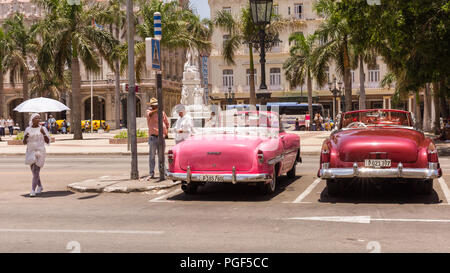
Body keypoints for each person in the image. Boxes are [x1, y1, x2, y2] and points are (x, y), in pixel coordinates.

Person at [23, 113, 50, 197]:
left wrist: (43, 133)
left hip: (40, 151)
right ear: (32, 120)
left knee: (36, 170)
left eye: (39, 118)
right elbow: (24, 142)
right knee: (34, 172)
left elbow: (48, 141)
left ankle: (32, 190)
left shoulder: (43, 128)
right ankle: (40, 186)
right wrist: (25, 137)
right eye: (36, 118)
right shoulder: (28, 129)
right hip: (30, 151)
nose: (38, 120)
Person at [146, 97, 169, 180]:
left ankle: (163, 172)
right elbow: (150, 114)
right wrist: (157, 110)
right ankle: (151, 173)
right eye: (154, 105)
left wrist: (166, 132)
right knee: (152, 156)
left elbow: (166, 123)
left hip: (161, 137)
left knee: (161, 156)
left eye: (156, 105)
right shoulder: (149, 112)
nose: (155, 106)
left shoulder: (162, 113)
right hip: (153, 137)